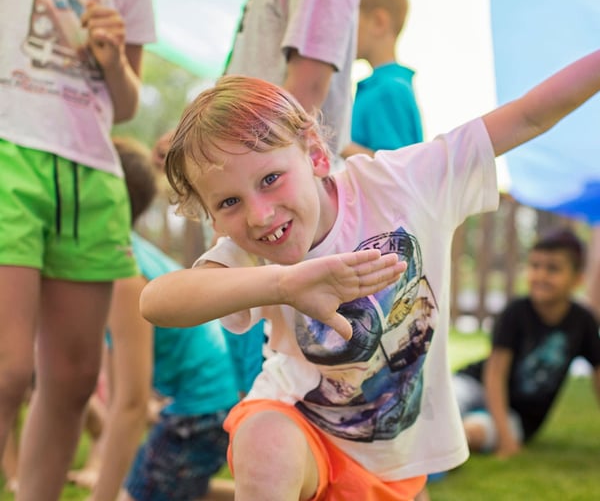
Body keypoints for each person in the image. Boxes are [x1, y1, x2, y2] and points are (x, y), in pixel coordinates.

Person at [140, 47, 600, 500]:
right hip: (303, 432)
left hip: (394, 457)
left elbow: (528, 117)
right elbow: (158, 301)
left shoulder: (403, 183)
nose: (259, 215)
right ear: (214, 219)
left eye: (270, 179)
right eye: (229, 202)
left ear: (316, 155)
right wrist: (285, 283)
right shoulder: (250, 251)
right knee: (263, 438)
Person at [0, 0, 156, 499]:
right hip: (11, 150)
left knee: (71, 379)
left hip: (93, 175)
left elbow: (127, 104)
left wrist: (113, 60)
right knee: (9, 368)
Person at [224, 0, 360, 397]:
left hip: (281, 224)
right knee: (260, 394)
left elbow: (305, 87)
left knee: (294, 398)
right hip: (258, 219)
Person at [70, 137, 238, 501]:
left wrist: (103, 495)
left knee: (141, 493)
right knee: (166, 484)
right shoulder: (118, 255)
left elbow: (129, 408)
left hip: (206, 407)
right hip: (206, 398)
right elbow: (124, 400)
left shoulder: (125, 275)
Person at [453, 228, 600, 459]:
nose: (540, 275)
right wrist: (506, 438)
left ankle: (447, 443)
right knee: (446, 402)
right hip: (476, 384)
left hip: (519, 415)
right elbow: (494, 375)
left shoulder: (583, 322)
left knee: (472, 433)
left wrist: (505, 434)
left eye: (553, 268)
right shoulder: (515, 312)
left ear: (578, 278)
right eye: (534, 266)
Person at [342, 0, 423, 159]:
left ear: (378, 22)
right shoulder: (379, 88)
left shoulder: (389, 90)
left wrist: (337, 145)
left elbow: (395, 167)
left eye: (348, 19)